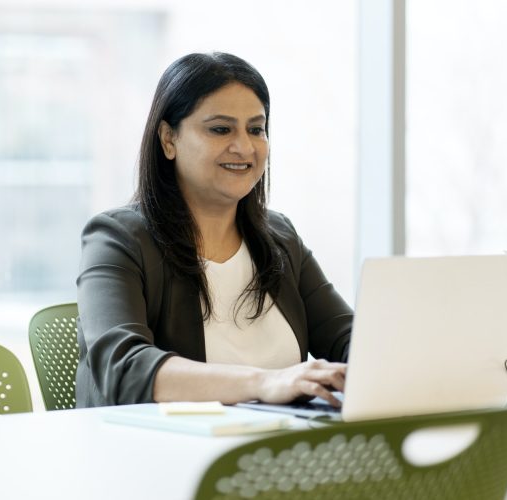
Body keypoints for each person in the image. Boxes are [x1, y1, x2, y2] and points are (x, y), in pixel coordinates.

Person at [76, 52, 352, 408]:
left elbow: (346, 336)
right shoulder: (115, 239)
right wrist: (265, 382)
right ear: (168, 139)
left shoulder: (279, 237)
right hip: (161, 454)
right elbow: (124, 369)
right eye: (221, 129)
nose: (244, 146)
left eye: (256, 129)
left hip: (279, 449)